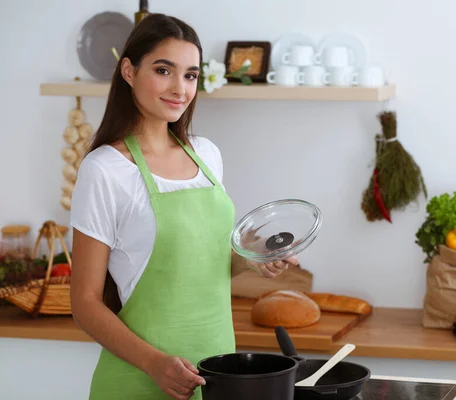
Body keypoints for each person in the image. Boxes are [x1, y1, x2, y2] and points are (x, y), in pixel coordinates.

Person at [69, 13, 298, 400]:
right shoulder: (105, 169)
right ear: (128, 71)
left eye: (191, 75)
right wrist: (156, 364)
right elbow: (85, 303)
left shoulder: (206, 154)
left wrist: (254, 258)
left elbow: (207, 261)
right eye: (164, 70)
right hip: (138, 381)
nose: (180, 88)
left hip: (217, 374)